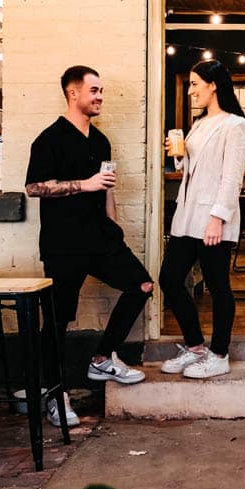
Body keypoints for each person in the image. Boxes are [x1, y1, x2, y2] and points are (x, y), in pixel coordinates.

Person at [25, 66, 152, 427]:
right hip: (63, 244)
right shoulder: (49, 139)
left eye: (101, 91)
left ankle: (101, 358)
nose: (99, 97)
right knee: (58, 321)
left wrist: (115, 230)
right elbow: (34, 188)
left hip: (100, 239)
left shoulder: (100, 141)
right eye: (94, 90)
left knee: (141, 284)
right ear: (73, 93)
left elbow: (107, 187)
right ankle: (55, 394)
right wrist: (84, 184)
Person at [158, 59, 245, 379]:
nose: (190, 91)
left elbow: (231, 178)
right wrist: (179, 153)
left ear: (213, 85)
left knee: (217, 286)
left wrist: (218, 218)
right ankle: (197, 347)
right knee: (170, 279)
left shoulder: (236, 126)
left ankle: (220, 354)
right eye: (189, 85)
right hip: (187, 217)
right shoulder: (198, 124)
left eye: (195, 84)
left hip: (213, 219)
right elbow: (190, 171)